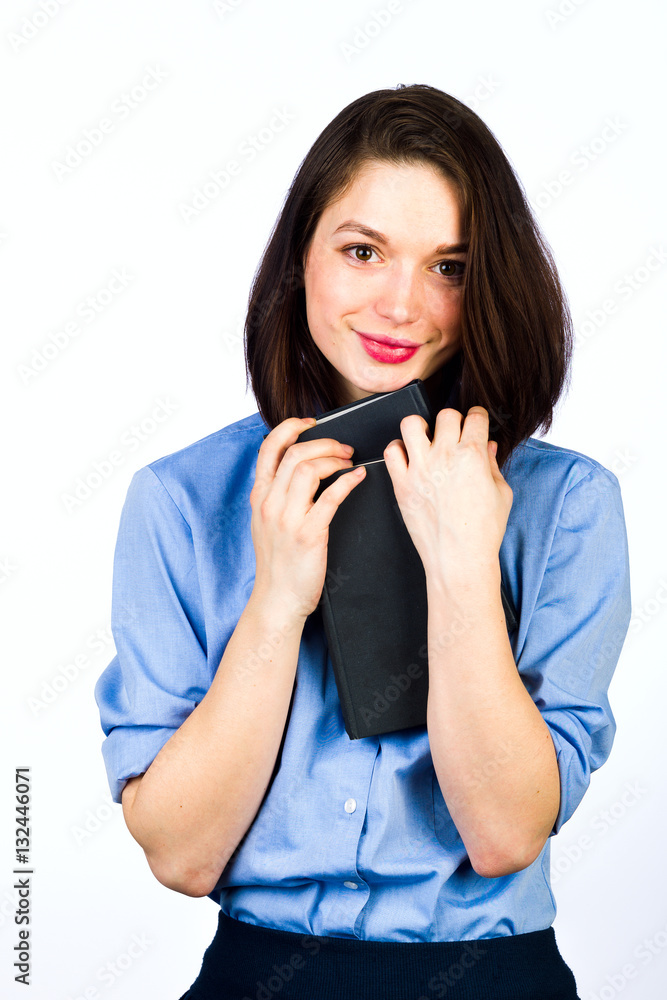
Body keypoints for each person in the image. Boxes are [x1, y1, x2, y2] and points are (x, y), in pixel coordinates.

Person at [94, 84, 631, 1000]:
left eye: (449, 267)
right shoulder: (181, 502)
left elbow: (504, 834)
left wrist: (461, 568)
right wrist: (275, 603)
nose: (401, 305)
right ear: (300, 258)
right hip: (257, 973)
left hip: (487, 977)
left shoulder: (565, 506)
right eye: (362, 251)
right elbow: (180, 856)